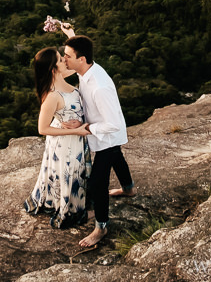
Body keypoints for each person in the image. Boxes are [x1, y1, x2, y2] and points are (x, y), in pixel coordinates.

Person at [63, 34, 134, 248]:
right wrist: (70, 34)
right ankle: (129, 188)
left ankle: (101, 227)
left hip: (107, 136)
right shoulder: (87, 68)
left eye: (67, 56)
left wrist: (85, 128)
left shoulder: (99, 86)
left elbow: (111, 123)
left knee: (97, 183)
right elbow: (82, 47)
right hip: (105, 135)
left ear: (81, 59)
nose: (64, 60)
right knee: (117, 158)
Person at [23, 47, 93, 229]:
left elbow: (83, 63)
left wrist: (71, 35)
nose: (65, 60)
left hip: (73, 137)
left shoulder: (64, 76)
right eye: (61, 59)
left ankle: (77, 201)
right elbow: (42, 128)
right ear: (54, 69)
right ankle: (69, 209)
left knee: (75, 172)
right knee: (69, 173)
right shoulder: (52, 95)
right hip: (65, 142)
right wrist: (75, 131)